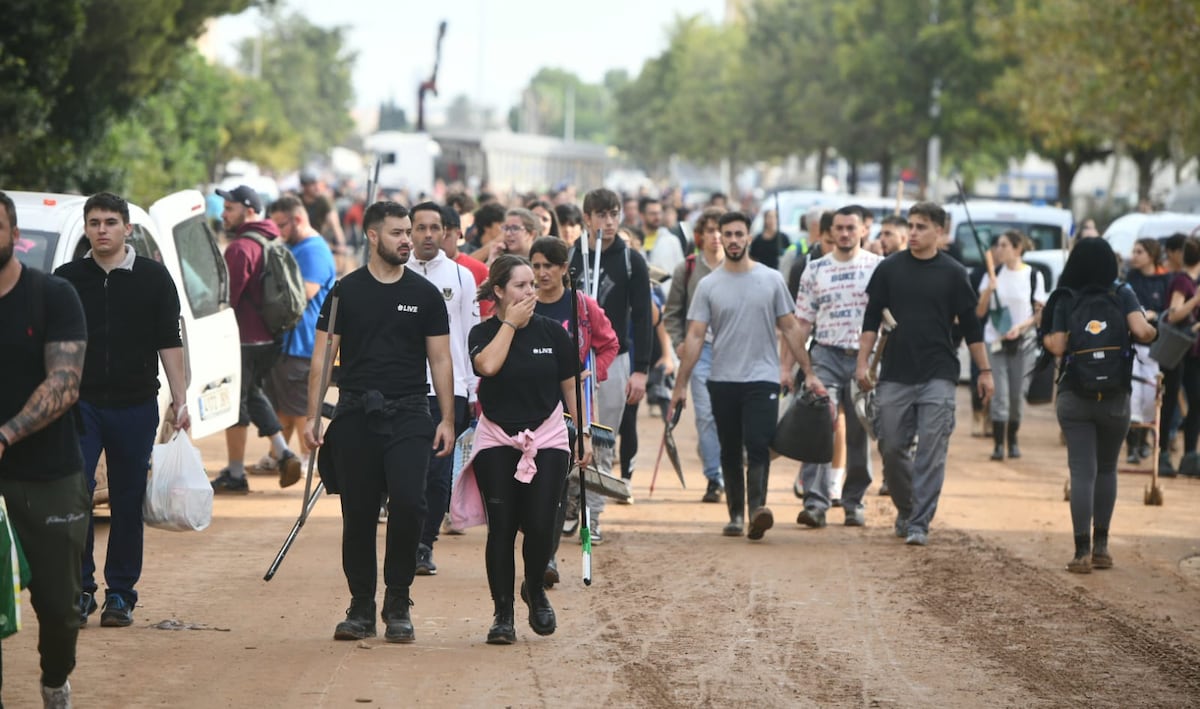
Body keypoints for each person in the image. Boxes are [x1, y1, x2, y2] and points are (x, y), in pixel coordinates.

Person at [303, 201, 456, 643]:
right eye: (397, 233)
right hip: (354, 414)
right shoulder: (343, 292)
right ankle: (361, 606)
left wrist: (446, 417)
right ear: (372, 236)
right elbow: (321, 358)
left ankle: (398, 598)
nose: (407, 240)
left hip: (410, 411)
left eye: (408, 232)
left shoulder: (425, 295)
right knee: (359, 514)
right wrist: (313, 417)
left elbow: (441, 359)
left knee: (410, 503)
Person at [54, 192, 190, 630]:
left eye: (110, 222)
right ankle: (80, 590)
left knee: (128, 502)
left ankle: (120, 594)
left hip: (135, 405)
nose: (102, 230)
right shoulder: (67, 279)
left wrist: (181, 400)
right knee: (75, 496)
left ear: (127, 228)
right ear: (86, 229)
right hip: (80, 405)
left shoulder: (154, 279)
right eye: (94, 223)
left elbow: (170, 342)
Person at [451, 255, 591, 643]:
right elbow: (488, 367)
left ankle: (535, 590)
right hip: (497, 436)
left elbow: (570, 388)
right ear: (498, 291)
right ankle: (503, 613)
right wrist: (511, 323)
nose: (532, 291)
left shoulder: (553, 333)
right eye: (521, 286)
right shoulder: (482, 333)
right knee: (503, 528)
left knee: (541, 524)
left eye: (533, 284)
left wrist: (584, 433)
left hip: (547, 436)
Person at [855, 202, 995, 546]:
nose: (914, 233)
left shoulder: (953, 273)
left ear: (939, 232)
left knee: (932, 450)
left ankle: (919, 522)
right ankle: (907, 508)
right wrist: (862, 363)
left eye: (921, 227)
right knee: (890, 445)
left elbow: (972, 326)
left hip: (939, 372)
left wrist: (985, 370)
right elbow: (871, 319)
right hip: (894, 372)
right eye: (911, 226)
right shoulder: (889, 269)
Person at [670, 211, 812, 540]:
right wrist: (680, 386)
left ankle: (757, 512)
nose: (733, 240)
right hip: (722, 378)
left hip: (761, 378)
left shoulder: (771, 279)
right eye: (728, 235)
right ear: (718, 237)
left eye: (739, 234)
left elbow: (790, 327)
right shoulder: (708, 285)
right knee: (730, 449)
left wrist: (807, 371)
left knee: (758, 444)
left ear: (748, 237)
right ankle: (736, 515)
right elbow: (694, 337)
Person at [0, 191, 88, 707]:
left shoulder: (52, 296)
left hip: (47, 475)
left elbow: (65, 381)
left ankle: (55, 680)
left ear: (15, 235)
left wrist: (6, 434)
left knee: (58, 606)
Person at [1042, 237, 1155, 572]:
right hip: (1116, 397)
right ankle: (1102, 547)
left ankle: (1081, 552)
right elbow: (1142, 332)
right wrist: (1152, 325)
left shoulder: (1065, 296)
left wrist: (1043, 331)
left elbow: (1058, 346)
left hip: (1075, 396)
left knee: (1082, 472)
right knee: (1107, 469)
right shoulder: (1122, 292)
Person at [528, 236, 618, 584]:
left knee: (556, 486)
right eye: (535, 266)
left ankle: (547, 558)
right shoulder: (526, 303)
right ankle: (536, 549)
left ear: (564, 269)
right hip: (530, 403)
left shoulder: (581, 306)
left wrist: (592, 375)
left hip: (570, 407)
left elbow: (608, 342)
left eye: (548, 266)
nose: (541, 273)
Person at [787, 205, 882, 529]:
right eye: (838, 228)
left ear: (863, 231)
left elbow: (890, 320)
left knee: (858, 431)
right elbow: (800, 324)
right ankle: (815, 503)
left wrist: (873, 363)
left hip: (863, 359)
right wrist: (788, 367)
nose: (844, 234)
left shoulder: (879, 268)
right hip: (824, 355)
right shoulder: (814, 270)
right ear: (830, 232)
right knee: (819, 424)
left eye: (850, 228)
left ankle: (854, 502)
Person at [566, 188, 652, 542]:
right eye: (601, 215)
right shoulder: (571, 256)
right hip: (570, 363)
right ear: (586, 218)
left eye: (614, 214)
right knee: (570, 437)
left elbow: (644, 317)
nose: (609, 222)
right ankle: (571, 505)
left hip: (615, 360)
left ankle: (593, 515)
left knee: (602, 440)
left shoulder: (632, 260)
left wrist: (641, 369)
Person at [211, 185, 303, 493]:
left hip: (243, 340)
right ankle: (283, 451)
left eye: (229, 208)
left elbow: (227, 299)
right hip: (269, 338)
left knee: (235, 403)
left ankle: (236, 474)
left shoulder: (240, 249)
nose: (223, 214)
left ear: (249, 210)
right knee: (251, 393)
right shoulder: (271, 239)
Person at [407, 202, 479, 575]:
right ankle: (406, 536)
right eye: (421, 228)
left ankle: (425, 543)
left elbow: (471, 335)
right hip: (403, 388)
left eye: (436, 228)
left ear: (447, 233)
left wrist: (475, 388)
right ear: (410, 232)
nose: (429, 235)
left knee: (438, 474)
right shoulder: (395, 273)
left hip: (450, 391)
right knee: (406, 472)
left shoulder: (461, 276)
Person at [249, 196, 337, 473]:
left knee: (300, 406)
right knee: (283, 406)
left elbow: (304, 295)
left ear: (298, 219)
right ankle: (280, 454)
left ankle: (310, 459)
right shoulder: (296, 246)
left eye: (281, 225)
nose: (278, 232)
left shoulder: (313, 251)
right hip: (289, 343)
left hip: (304, 344)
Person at [664, 207, 727, 502]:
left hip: (735, 353)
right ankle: (715, 478)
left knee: (729, 415)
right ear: (700, 236)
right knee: (705, 415)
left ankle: (725, 465)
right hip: (699, 352)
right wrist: (679, 341)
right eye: (711, 230)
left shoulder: (740, 268)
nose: (717, 237)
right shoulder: (687, 269)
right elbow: (672, 312)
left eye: (722, 231)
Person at [975, 230, 1047, 460]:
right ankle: (998, 444)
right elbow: (980, 311)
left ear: (1018, 249)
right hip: (995, 341)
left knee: (1017, 394)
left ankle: (1013, 439)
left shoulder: (1033, 275)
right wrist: (989, 289)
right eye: (997, 245)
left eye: (1004, 245)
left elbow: (1039, 314)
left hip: (1022, 342)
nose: (999, 250)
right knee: (1000, 393)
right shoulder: (993, 273)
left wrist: (1021, 328)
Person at [1122, 238, 1168, 464]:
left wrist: (1154, 315)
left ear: (1151, 254)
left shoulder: (1164, 280)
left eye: (1139, 251)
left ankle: (1143, 440)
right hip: (1133, 346)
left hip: (1154, 349)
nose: (1134, 255)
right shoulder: (1130, 278)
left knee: (1151, 397)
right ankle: (1131, 446)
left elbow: (1168, 311)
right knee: (1133, 397)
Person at [1157, 236, 1200, 476]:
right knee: (1170, 400)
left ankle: (1190, 454)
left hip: (1194, 351)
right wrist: (1195, 300)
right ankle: (1163, 454)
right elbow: (1174, 315)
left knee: (1196, 402)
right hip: (1177, 349)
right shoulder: (1182, 282)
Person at [300, 171, 349, 269]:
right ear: (304, 187)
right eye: (313, 184)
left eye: (318, 183)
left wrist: (341, 244)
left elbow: (335, 225)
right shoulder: (297, 200)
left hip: (319, 241)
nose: (317, 187)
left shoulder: (324, 201)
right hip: (299, 240)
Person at [641, 196, 685, 273]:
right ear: (642, 215)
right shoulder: (634, 240)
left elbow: (681, 270)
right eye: (652, 213)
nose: (657, 217)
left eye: (659, 213)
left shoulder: (672, 240)